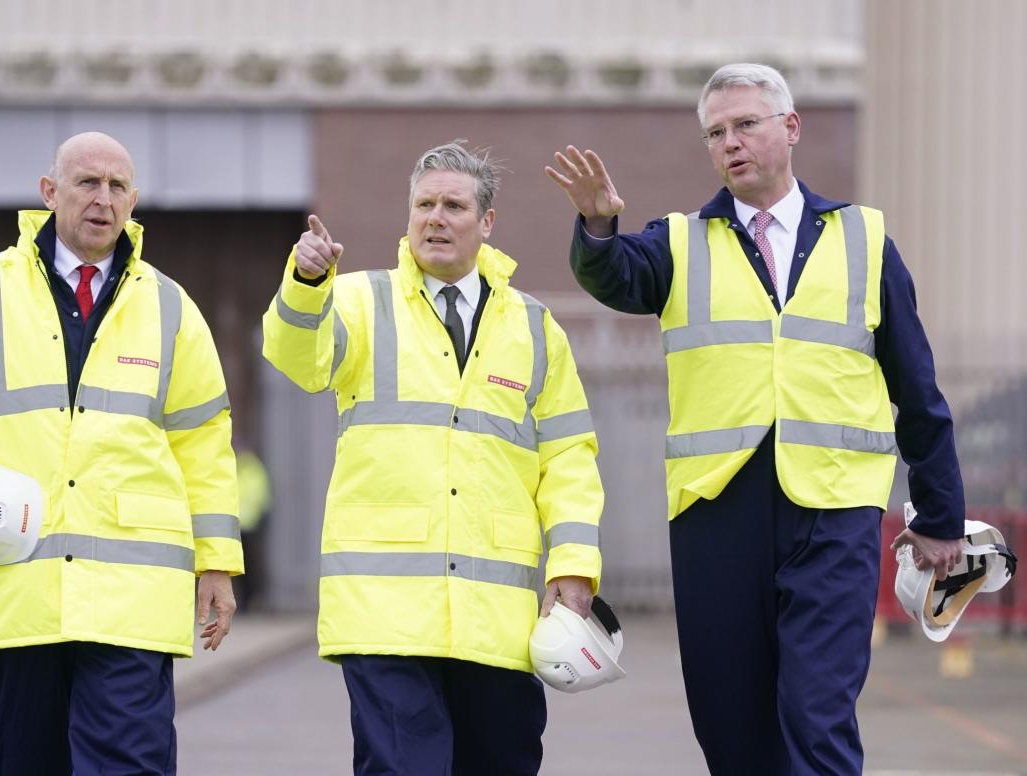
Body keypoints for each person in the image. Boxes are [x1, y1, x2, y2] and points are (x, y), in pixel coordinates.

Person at [547, 63, 966, 775]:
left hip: (833, 512)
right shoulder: (677, 242)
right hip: (718, 511)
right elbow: (613, 275)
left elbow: (915, 385)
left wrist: (939, 513)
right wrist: (595, 223)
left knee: (817, 712)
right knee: (730, 721)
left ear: (790, 128)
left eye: (745, 125)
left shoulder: (863, 240)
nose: (729, 143)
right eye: (715, 133)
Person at [0, 132, 244, 775]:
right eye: (87, 183)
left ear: (134, 200)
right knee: (27, 763)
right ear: (50, 194)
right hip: (25, 589)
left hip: (134, 601)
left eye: (118, 187)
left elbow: (204, 444)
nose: (103, 200)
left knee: (129, 764)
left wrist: (216, 564)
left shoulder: (170, 306)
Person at [263, 140, 604, 775]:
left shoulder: (533, 327)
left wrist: (576, 565)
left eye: (453, 205)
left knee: (502, 762)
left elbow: (569, 456)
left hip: (495, 619)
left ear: (488, 222)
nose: (435, 218)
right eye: (423, 204)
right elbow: (297, 358)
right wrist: (307, 283)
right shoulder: (362, 301)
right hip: (384, 612)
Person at [230, 441, 270, 613]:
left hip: (249, 526)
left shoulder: (250, 469)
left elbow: (260, 497)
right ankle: (244, 603)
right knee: (238, 569)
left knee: (250, 567)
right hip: (236, 526)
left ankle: (252, 601)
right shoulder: (239, 469)